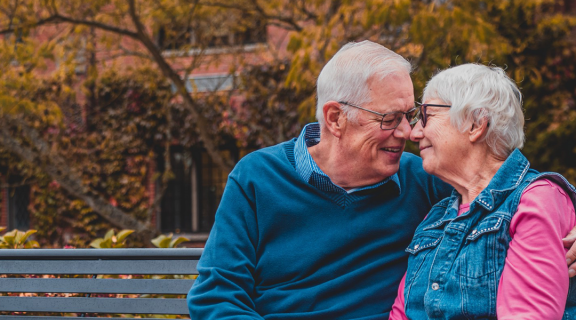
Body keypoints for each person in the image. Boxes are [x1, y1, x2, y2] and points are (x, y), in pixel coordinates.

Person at [187, 41, 576, 319]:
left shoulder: (421, 178)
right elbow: (217, 295)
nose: (408, 132)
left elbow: (506, 189)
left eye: (411, 115)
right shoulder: (257, 177)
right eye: (389, 120)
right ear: (336, 118)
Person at [389, 64, 576, 319]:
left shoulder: (536, 199)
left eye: (426, 116)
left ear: (476, 124)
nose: (414, 132)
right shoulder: (433, 220)